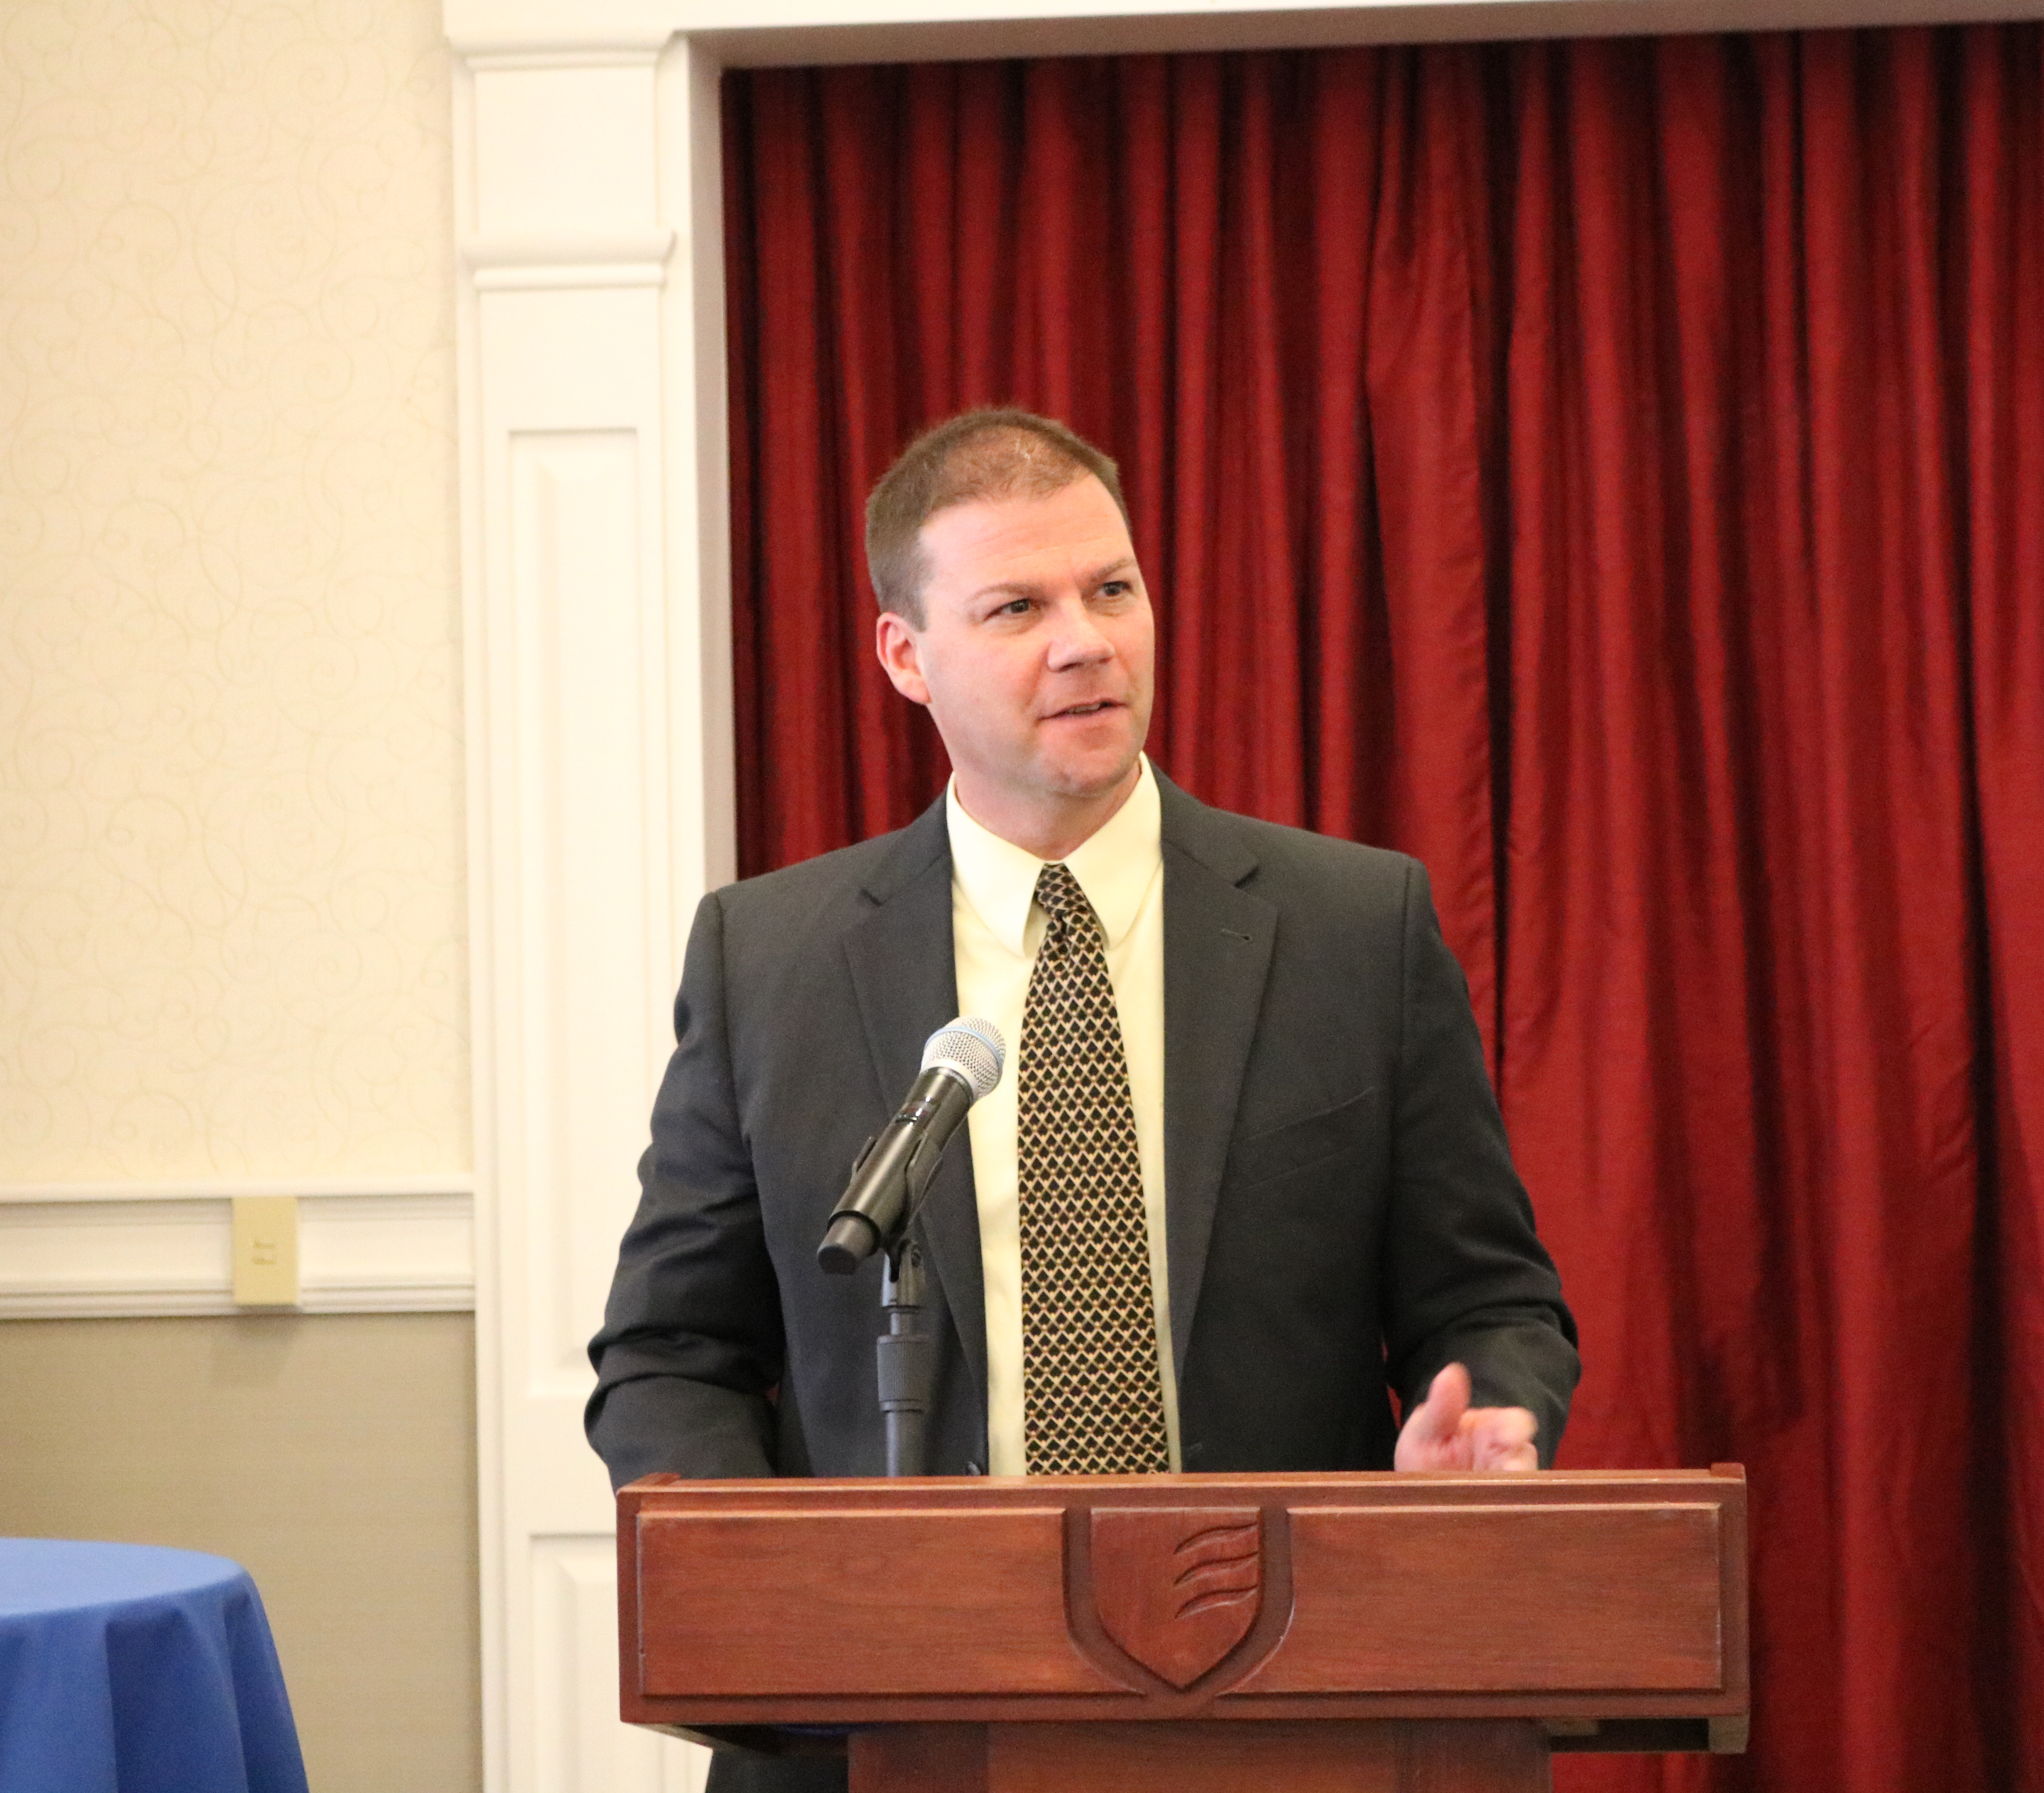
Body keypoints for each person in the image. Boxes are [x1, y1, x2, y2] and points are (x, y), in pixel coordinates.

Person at [586, 409, 1581, 1790]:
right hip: (890, 1721)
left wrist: (1498, 1421)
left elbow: (1491, 1302)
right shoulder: (773, 960)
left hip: (1289, 1715)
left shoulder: (1354, 929)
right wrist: (757, 1576)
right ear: (905, 657)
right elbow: (668, 1353)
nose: (1087, 642)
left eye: (1112, 589)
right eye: (1017, 607)